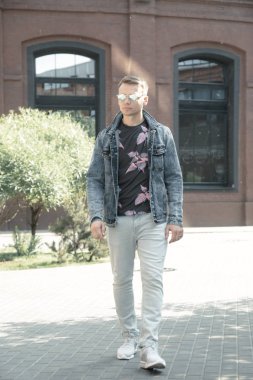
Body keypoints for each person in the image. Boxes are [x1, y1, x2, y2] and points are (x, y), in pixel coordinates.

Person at [87, 75, 183, 370]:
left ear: (145, 99)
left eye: (132, 95)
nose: (126, 101)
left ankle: (149, 346)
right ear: (117, 100)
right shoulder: (106, 137)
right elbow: (94, 179)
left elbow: (173, 177)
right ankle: (129, 337)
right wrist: (95, 215)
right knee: (122, 280)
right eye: (121, 96)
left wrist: (175, 218)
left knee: (153, 279)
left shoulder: (161, 134)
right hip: (117, 220)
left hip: (152, 218)